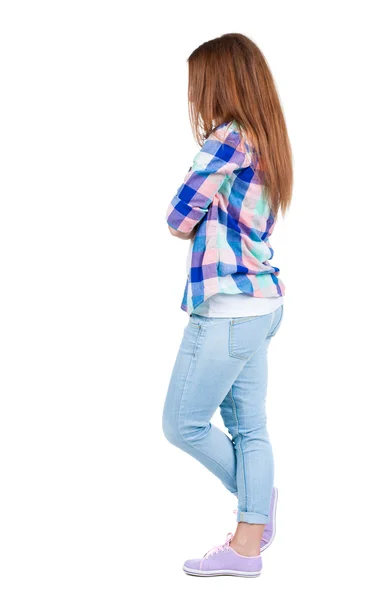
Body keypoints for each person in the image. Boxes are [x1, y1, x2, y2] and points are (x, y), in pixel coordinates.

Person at [162, 32, 293, 578]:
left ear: (219, 83)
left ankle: (254, 507)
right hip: (262, 304)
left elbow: (176, 217)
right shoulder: (265, 140)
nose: (194, 97)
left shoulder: (227, 141)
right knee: (250, 430)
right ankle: (246, 546)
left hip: (229, 309)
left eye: (198, 85)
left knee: (181, 423)